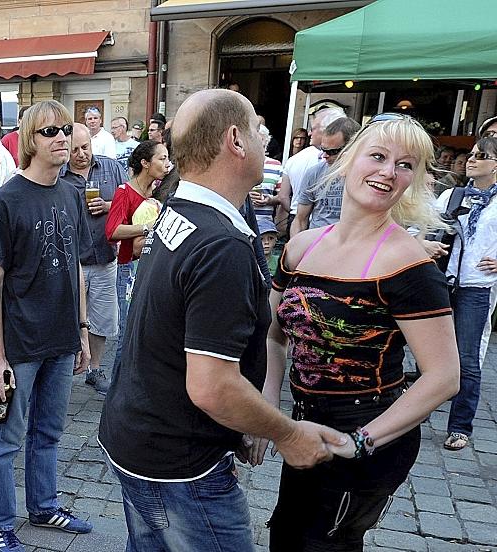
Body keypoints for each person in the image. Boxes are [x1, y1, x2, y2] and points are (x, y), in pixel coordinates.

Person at [99, 88, 345, 552]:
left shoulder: (180, 211)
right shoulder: (220, 243)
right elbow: (211, 386)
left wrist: (245, 421)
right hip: (178, 460)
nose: (264, 135)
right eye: (256, 126)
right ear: (235, 139)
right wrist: (287, 433)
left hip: (141, 436)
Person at [264, 113, 461, 550]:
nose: (389, 172)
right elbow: (273, 335)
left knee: (324, 544)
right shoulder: (301, 246)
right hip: (303, 425)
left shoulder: (410, 266)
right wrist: (269, 411)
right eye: (378, 156)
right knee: (285, 538)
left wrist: (359, 442)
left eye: (406, 164)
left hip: (368, 433)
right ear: (349, 159)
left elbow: (444, 377)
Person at [0, 100, 93, 552]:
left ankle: (44, 507)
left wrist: (82, 331)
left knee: (49, 432)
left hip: (62, 338)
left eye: (65, 129)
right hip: (20, 344)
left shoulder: (71, 193)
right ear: (30, 141)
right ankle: (0, 527)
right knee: (6, 439)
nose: (62, 137)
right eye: (50, 132)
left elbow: (78, 267)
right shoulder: (7, 199)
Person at [437, 136, 497, 451]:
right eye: (471, 154)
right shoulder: (453, 194)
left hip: (477, 286)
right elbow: (423, 225)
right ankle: (415, 409)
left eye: (481, 155)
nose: (471, 160)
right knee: (429, 350)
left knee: (467, 358)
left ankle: (460, 426)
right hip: (444, 281)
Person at [60, 123, 127, 395]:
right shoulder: (59, 176)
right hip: (71, 261)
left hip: (104, 256)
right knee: (67, 317)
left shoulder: (112, 168)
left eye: (85, 147)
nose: (80, 154)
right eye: (74, 149)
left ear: (92, 143)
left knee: (101, 317)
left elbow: (132, 201)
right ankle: (63, 370)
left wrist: (110, 206)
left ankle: (95, 369)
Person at [105, 140, 169, 382]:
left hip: (151, 267)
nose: (166, 163)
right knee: (127, 332)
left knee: (144, 329)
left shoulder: (157, 193)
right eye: (161, 158)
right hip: (128, 269)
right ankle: (117, 385)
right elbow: (112, 231)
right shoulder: (124, 191)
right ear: (145, 163)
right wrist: (148, 228)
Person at [275, 107, 345, 236]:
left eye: (313, 128)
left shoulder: (362, 171)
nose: (309, 134)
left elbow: (284, 197)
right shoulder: (314, 167)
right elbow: (299, 217)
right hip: (312, 234)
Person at [290, 116, 361, 234]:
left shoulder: (368, 176)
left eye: (332, 152)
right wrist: (296, 247)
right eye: (323, 149)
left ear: (352, 148)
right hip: (317, 242)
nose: (324, 155)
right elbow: (300, 219)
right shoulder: (314, 173)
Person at [249, 124, 283, 227]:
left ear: (266, 144)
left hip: (265, 226)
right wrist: (245, 197)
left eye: (262, 145)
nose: (259, 149)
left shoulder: (276, 166)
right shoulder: (238, 164)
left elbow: (282, 197)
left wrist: (269, 200)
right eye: (255, 145)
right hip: (241, 223)